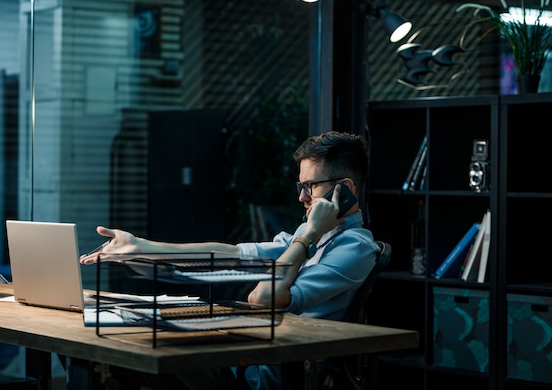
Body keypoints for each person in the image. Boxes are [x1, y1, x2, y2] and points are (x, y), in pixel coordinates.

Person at [80, 131, 380, 390]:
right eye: (300, 186)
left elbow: (262, 298)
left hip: (267, 374)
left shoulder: (354, 247)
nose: (301, 198)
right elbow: (232, 254)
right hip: (246, 354)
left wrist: (311, 232)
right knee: (120, 356)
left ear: (345, 189)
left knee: (132, 357)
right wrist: (142, 247)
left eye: (311, 187)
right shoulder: (309, 235)